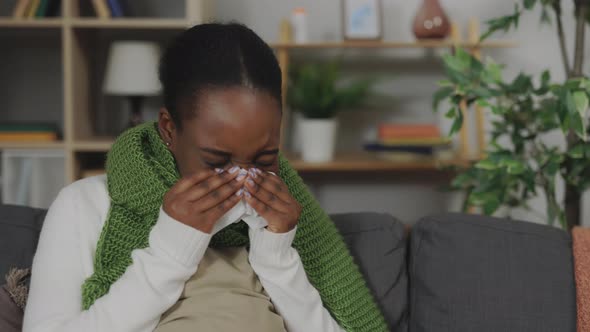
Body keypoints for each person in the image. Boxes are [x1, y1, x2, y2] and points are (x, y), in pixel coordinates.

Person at [23, 23, 388, 332]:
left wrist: (277, 255)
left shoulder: (289, 216)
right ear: (169, 129)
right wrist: (171, 249)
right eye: (216, 160)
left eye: (264, 159)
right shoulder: (85, 205)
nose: (242, 177)